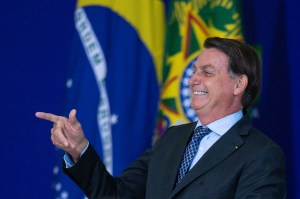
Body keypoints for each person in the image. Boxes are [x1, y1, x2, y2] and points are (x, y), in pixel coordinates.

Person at [36, 37, 286, 199]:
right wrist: (80, 150)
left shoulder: (261, 154)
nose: (192, 79)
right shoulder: (173, 138)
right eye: (194, 70)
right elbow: (116, 195)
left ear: (239, 84)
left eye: (206, 72)